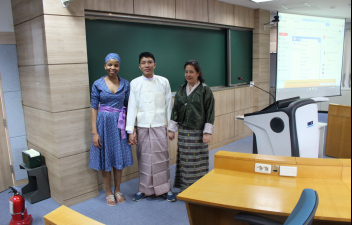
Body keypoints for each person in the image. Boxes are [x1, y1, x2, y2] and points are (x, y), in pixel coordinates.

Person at [126, 52, 176, 202]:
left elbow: (169, 106)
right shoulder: (134, 83)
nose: (146, 65)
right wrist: (130, 130)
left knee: (162, 158)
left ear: (155, 64)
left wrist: (171, 127)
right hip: (142, 126)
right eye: (143, 62)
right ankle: (144, 189)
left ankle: (165, 189)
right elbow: (132, 107)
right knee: (144, 159)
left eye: (149, 62)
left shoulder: (163, 82)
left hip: (160, 125)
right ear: (139, 66)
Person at [89, 53, 133, 206]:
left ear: (119, 66)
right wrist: (95, 133)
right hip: (103, 125)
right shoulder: (97, 84)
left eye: (116, 65)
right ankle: (108, 192)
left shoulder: (126, 84)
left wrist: (130, 130)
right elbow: (94, 108)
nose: (112, 68)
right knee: (106, 158)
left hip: (120, 125)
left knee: (118, 157)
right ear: (105, 66)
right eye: (109, 64)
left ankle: (118, 190)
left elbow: (129, 107)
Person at [168, 60, 215, 192]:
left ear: (198, 73)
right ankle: (185, 188)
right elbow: (175, 109)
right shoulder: (181, 90)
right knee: (185, 161)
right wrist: (172, 129)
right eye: (186, 72)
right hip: (183, 132)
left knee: (197, 160)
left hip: (198, 132)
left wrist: (207, 132)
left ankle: (198, 189)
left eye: (191, 72)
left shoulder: (205, 90)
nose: (188, 74)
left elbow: (210, 111)